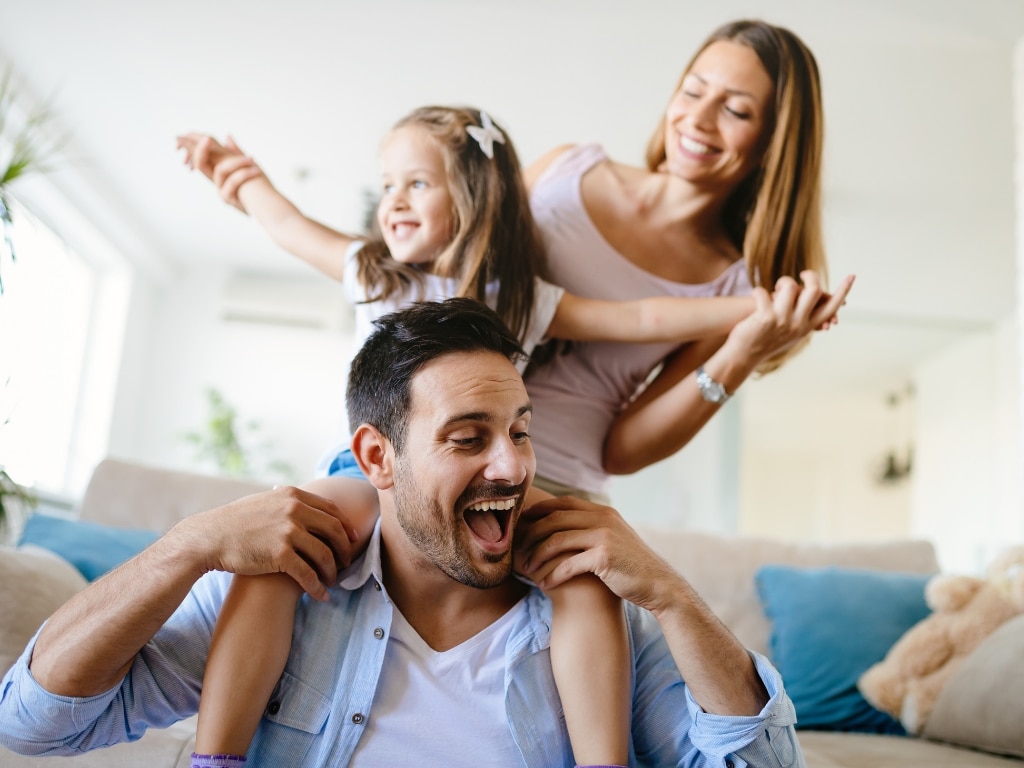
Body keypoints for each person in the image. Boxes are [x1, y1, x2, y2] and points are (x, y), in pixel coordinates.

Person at [175, 105, 819, 767]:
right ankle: (215, 758)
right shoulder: (375, 272)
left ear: (474, 197)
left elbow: (645, 315)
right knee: (278, 551)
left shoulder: (523, 299)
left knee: (583, 577)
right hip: (370, 473)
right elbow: (288, 225)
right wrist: (242, 178)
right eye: (387, 184)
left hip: (491, 479)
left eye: (417, 184)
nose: (393, 200)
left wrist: (762, 308)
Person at [0, 297, 806, 767]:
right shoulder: (288, 586)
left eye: (520, 431)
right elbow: (33, 722)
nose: (512, 466)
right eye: (468, 437)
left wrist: (671, 595)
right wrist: (186, 546)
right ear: (376, 456)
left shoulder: (597, 605)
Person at [521, 18, 851, 501]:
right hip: (436, 445)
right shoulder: (562, 169)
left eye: (736, 111)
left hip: (552, 485)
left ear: (771, 145)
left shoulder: (733, 287)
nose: (698, 119)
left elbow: (622, 452)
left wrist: (743, 353)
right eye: (693, 92)